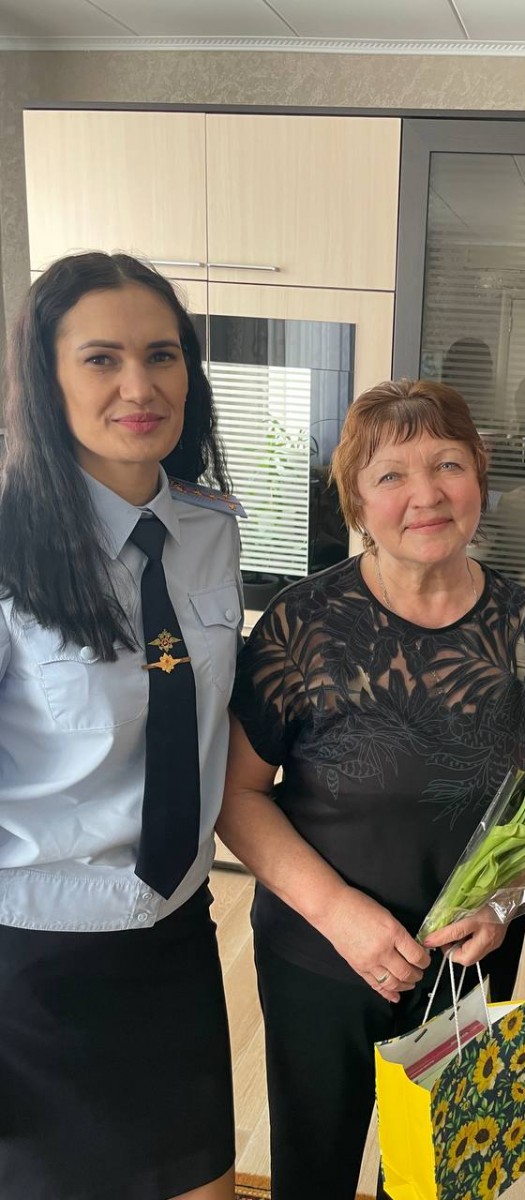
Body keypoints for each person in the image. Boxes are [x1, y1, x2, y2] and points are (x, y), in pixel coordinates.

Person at [218, 378, 525, 1200]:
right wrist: (339, 914)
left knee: (438, 1179)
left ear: (479, 473)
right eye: (391, 475)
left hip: (468, 958)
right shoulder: (301, 624)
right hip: (320, 953)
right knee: (314, 1169)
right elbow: (238, 796)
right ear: (356, 499)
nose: (427, 495)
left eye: (448, 464)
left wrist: (506, 904)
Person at [0, 252, 244, 1200]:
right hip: (33, 956)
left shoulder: (213, 528)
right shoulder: (11, 545)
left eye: (162, 355)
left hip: (174, 930)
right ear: (46, 378)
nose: (140, 387)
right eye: (101, 359)